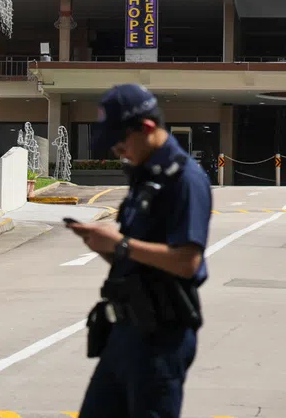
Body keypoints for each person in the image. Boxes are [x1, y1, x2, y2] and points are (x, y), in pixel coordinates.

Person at [67, 83, 212, 418]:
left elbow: (187, 262)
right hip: (123, 330)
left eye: (121, 142)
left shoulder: (183, 179)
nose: (118, 151)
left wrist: (120, 244)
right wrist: (103, 245)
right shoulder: (144, 175)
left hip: (160, 336)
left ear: (146, 128)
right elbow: (134, 256)